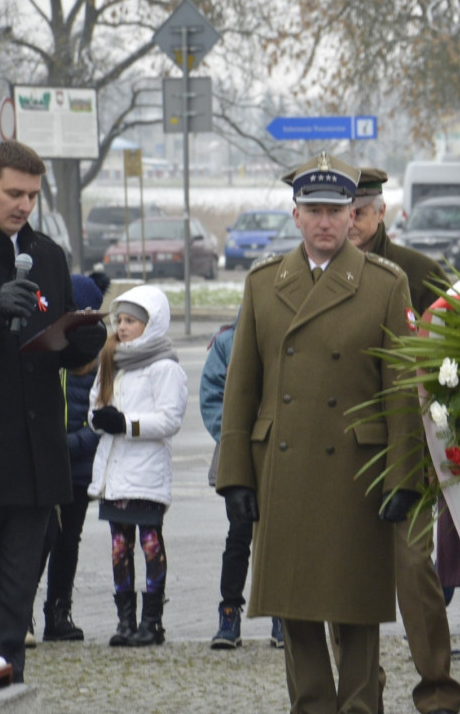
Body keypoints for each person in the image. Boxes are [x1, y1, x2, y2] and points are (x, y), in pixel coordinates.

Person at [216, 153, 422, 714]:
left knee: (355, 611)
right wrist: (234, 473)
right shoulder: (263, 283)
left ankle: (360, 707)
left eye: (337, 210)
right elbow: (242, 388)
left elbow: (402, 390)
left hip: (357, 473)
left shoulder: (384, 284)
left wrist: (405, 474)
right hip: (283, 469)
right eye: (315, 210)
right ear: (296, 215)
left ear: (354, 215)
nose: (327, 221)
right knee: (295, 608)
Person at [0, 140, 106, 682]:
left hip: (35, 464)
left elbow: (63, 353)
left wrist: (84, 340)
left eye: (32, 194)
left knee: (14, 603)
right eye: (13, 193)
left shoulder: (47, 255)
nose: (24, 205)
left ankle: (7, 687)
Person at [349, 167, 460, 714]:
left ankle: (437, 687)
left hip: (410, 445)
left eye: (359, 212)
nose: (348, 223)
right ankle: (362, 689)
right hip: (345, 445)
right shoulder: (316, 275)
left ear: (380, 214)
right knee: (347, 575)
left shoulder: (416, 270)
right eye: (338, 212)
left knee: (416, 571)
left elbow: (459, 348)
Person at [88, 285, 187, 648]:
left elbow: (170, 419)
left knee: (149, 544)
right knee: (119, 547)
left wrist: (126, 424)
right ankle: (124, 621)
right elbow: (94, 407)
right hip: (115, 475)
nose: (123, 327)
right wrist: (102, 420)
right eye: (120, 320)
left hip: (146, 474)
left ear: (152, 323)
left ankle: (152, 621)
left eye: (131, 321)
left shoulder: (164, 366)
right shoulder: (111, 359)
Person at [34, 272, 111, 643]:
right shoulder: (48, 356)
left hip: (77, 469)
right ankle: (21, 616)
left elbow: (100, 421)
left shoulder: (101, 364)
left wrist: (69, 444)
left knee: (68, 542)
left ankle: (59, 610)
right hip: (42, 467)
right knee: (37, 541)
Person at [202, 312, 285, 650]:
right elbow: (212, 397)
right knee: (238, 536)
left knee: (279, 539)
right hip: (239, 454)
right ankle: (229, 613)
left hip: (283, 453)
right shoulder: (226, 343)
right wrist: (237, 436)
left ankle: (282, 615)